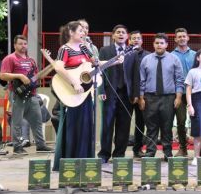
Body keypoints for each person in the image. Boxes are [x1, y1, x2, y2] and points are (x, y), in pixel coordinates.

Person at [52, 21, 96, 171]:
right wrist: (74, 83)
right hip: (72, 94)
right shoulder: (65, 49)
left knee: (86, 126)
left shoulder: (84, 48)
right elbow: (58, 66)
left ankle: (85, 161)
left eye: (84, 31)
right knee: (73, 126)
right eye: (80, 31)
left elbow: (94, 65)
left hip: (85, 95)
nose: (84, 33)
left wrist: (114, 61)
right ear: (71, 33)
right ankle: (70, 162)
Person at [0, 35, 53, 155]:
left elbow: (38, 76)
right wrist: (19, 76)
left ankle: (41, 145)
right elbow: (2, 75)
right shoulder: (10, 58)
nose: (23, 46)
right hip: (18, 95)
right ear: (14, 45)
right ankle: (17, 147)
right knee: (17, 122)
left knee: (37, 121)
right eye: (20, 44)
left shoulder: (31, 61)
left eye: (25, 44)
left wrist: (52, 64)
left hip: (32, 95)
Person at [139, 33, 184, 161]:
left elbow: (179, 79)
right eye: (157, 43)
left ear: (166, 45)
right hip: (150, 98)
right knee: (151, 127)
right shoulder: (146, 60)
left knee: (167, 127)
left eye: (162, 43)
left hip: (168, 98)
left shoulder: (174, 59)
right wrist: (141, 98)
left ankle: (167, 153)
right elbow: (141, 80)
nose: (159, 45)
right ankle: (150, 153)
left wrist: (179, 97)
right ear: (153, 44)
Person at [98, 24, 134, 163]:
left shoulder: (132, 52)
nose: (120, 34)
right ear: (113, 35)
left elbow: (135, 74)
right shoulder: (104, 50)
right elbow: (99, 70)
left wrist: (135, 94)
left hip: (126, 94)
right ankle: (104, 154)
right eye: (118, 32)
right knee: (107, 124)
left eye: (123, 32)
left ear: (127, 36)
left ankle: (119, 154)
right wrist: (101, 90)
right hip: (109, 92)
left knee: (124, 125)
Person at [171, 28, 196, 157]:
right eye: (179, 36)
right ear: (175, 39)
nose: (181, 38)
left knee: (197, 120)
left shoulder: (195, 55)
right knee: (181, 121)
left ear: (188, 38)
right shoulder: (171, 55)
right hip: (179, 92)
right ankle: (182, 148)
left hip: (194, 92)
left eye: (184, 36)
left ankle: (199, 150)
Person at [127, 30, 150, 158]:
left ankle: (137, 149)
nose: (135, 40)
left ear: (142, 41)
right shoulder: (125, 54)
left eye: (138, 38)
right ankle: (120, 151)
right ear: (129, 41)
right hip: (127, 95)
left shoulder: (148, 56)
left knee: (140, 123)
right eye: (133, 38)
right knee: (124, 123)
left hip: (142, 95)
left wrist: (141, 95)